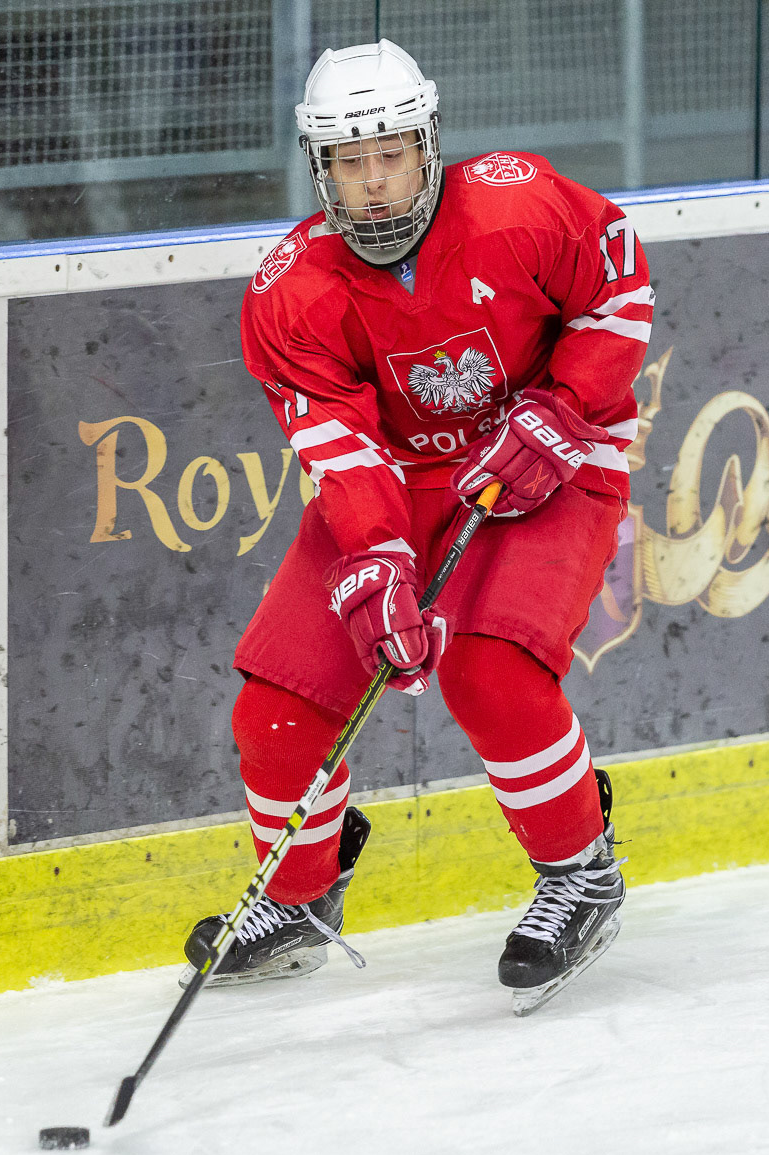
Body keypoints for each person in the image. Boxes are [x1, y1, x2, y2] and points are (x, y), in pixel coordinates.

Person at [184, 39, 653, 1012]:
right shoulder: (289, 291)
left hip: (547, 462)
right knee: (278, 706)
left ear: (427, 143)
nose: (374, 181)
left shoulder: (521, 204)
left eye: (391, 154)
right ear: (320, 166)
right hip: (397, 485)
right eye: (350, 161)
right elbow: (343, 450)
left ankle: (581, 872)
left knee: (491, 669)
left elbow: (617, 288)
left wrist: (567, 407)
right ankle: (299, 898)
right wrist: (377, 561)